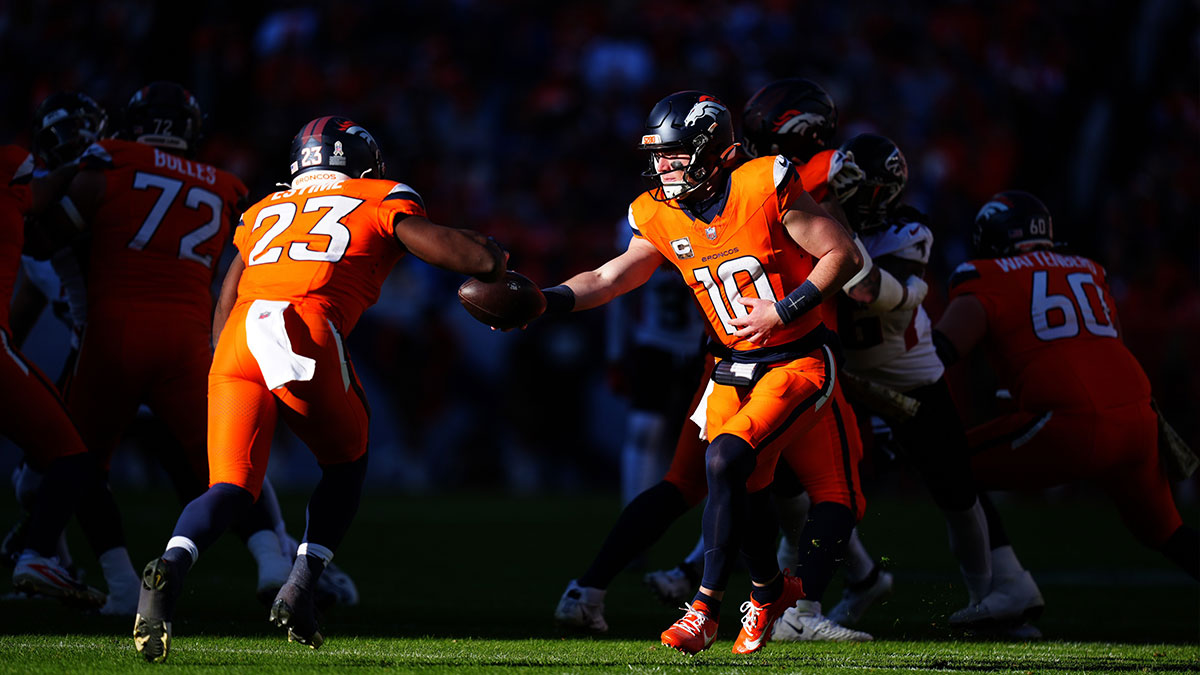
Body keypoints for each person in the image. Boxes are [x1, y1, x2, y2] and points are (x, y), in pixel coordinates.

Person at [132, 115, 508, 663]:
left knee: (231, 487)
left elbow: (227, 292)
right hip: (303, 328)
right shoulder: (377, 196)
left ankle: (169, 565)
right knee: (346, 461)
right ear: (359, 163)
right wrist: (493, 256)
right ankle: (301, 587)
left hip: (236, 337)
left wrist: (224, 364)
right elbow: (461, 255)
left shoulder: (266, 209)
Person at [542, 90, 861, 655]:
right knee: (732, 478)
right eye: (658, 156)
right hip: (729, 365)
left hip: (799, 356)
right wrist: (544, 302)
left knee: (726, 458)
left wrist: (785, 308)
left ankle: (706, 607)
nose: (664, 168)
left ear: (719, 154)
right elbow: (611, 277)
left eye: (677, 155)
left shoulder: (765, 183)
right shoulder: (658, 213)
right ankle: (768, 593)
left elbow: (843, 255)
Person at [796, 134, 1043, 636]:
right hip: (841, 372)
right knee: (816, 486)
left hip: (908, 375)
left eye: (850, 188)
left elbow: (865, 290)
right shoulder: (823, 216)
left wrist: (906, 289)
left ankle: (986, 599)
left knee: (954, 489)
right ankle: (818, 598)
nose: (840, 196)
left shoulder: (907, 228)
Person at [934, 190, 1198, 592]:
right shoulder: (1090, 270)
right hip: (1140, 417)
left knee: (947, 465)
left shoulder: (986, 274)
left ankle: (1007, 588)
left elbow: (942, 351)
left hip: (1073, 422)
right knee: (1167, 532)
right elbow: (1107, 344)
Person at [0, 134, 108, 608]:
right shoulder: (12, 165)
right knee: (70, 453)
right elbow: (41, 200)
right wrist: (80, 165)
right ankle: (37, 555)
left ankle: (38, 551)